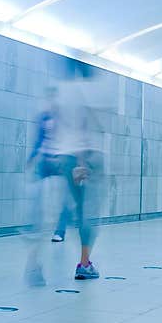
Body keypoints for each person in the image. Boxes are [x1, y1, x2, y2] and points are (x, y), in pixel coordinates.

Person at [52, 59, 108, 279]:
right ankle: (84, 263)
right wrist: (82, 161)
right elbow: (82, 126)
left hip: (66, 157)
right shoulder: (87, 92)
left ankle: (84, 260)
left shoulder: (63, 92)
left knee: (80, 209)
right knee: (90, 212)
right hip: (85, 157)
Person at [26, 87, 73, 244]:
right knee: (38, 193)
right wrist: (32, 158)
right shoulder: (44, 117)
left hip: (62, 160)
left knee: (63, 197)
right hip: (46, 159)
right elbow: (39, 139)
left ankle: (60, 230)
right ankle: (37, 227)